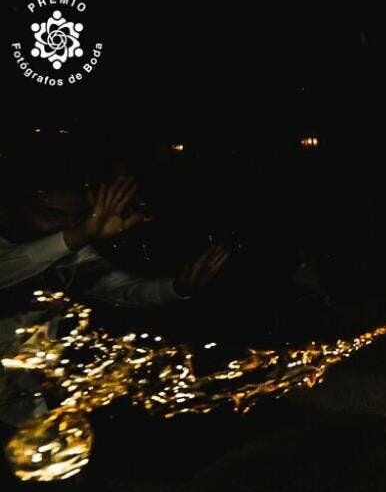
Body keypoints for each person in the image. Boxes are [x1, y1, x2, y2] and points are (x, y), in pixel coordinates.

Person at [0, 164, 229, 427]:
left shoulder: (71, 254)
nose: (66, 225)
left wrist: (178, 288)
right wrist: (79, 234)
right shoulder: (54, 246)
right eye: (51, 214)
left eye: (75, 217)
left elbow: (121, 289)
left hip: (25, 407)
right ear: (5, 213)